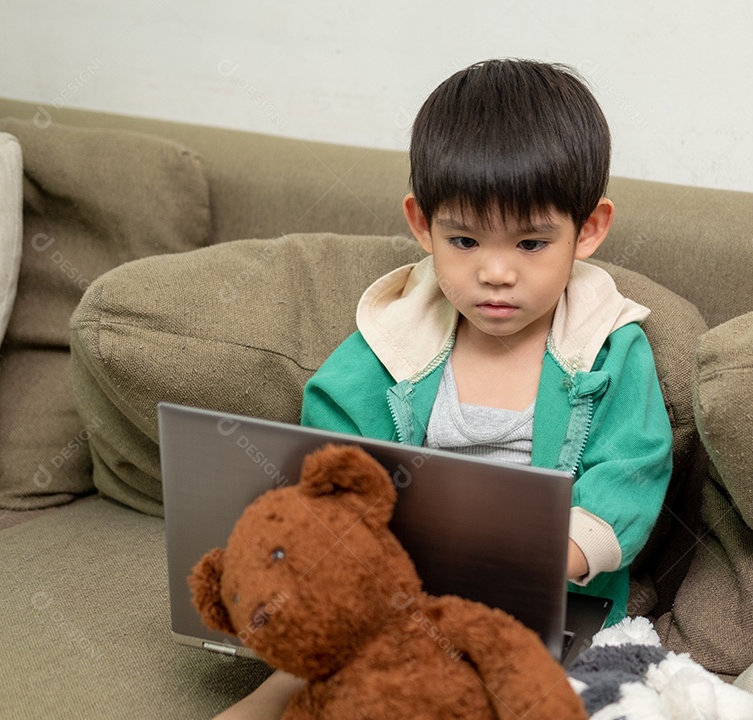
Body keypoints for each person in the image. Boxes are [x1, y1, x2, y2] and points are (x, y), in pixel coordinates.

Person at [215, 57, 672, 719]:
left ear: (590, 229)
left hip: (544, 595)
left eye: (531, 244)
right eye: (463, 239)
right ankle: (279, 692)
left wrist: (564, 554)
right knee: (341, 649)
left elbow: (633, 464)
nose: (495, 273)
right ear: (421, 224)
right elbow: (333, 448)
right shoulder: (393, 338)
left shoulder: (606, 344)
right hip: (400, 583)